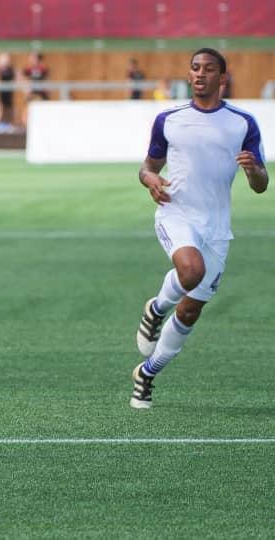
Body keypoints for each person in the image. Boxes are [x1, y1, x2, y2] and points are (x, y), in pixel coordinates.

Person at [130, 48, 268, 409]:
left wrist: (253, 168)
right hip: (177, 214)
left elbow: (261, 184)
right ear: (188, 76)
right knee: (191, 271)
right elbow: (147, 167)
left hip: (217, 228)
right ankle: (157, 309)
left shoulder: (242, 123)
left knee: (190, 311)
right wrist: (151, 180)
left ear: (222, 78)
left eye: (209, 69)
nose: (200, 74)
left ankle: (147, 373)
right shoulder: (169, 119)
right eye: (195, 68)